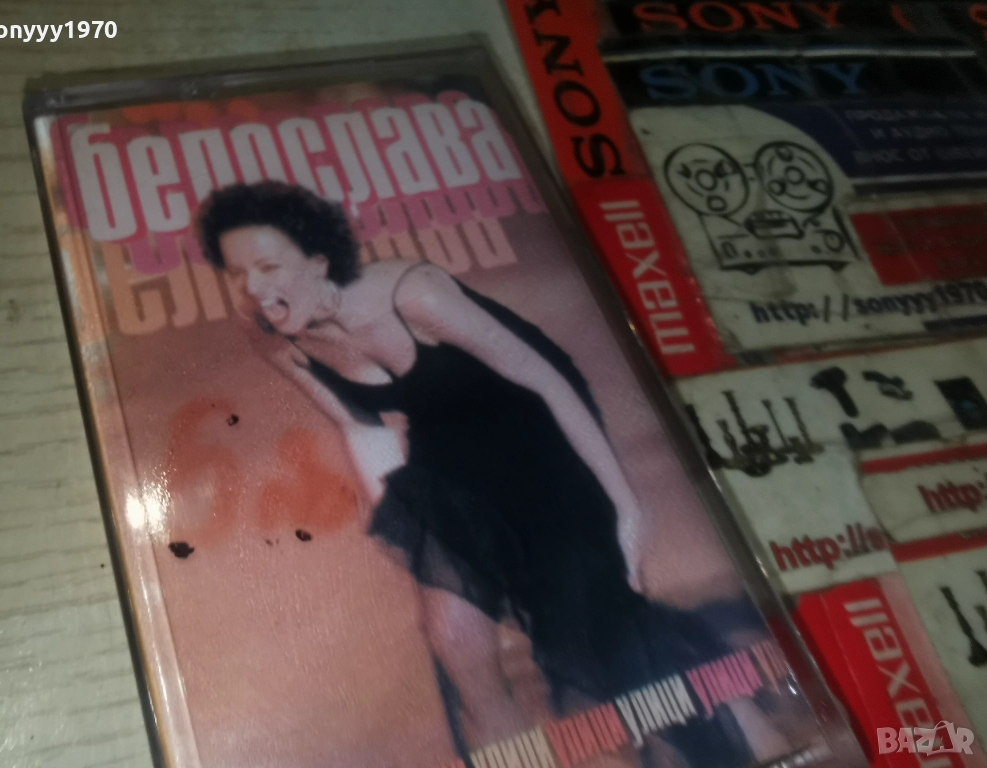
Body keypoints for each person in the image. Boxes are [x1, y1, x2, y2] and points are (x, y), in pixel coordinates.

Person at [196, 181, 787, 767]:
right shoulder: (267, 331)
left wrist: (627, 508)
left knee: (595, 631)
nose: (253, 289)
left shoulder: (416, 295)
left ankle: (752, 735)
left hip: (542, 437)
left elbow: (545, 380)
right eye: (237, 273)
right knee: (454, 638)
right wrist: (414, 533)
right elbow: (360, 425)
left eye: (268, 266)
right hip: (446, 450)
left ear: (319, 261)